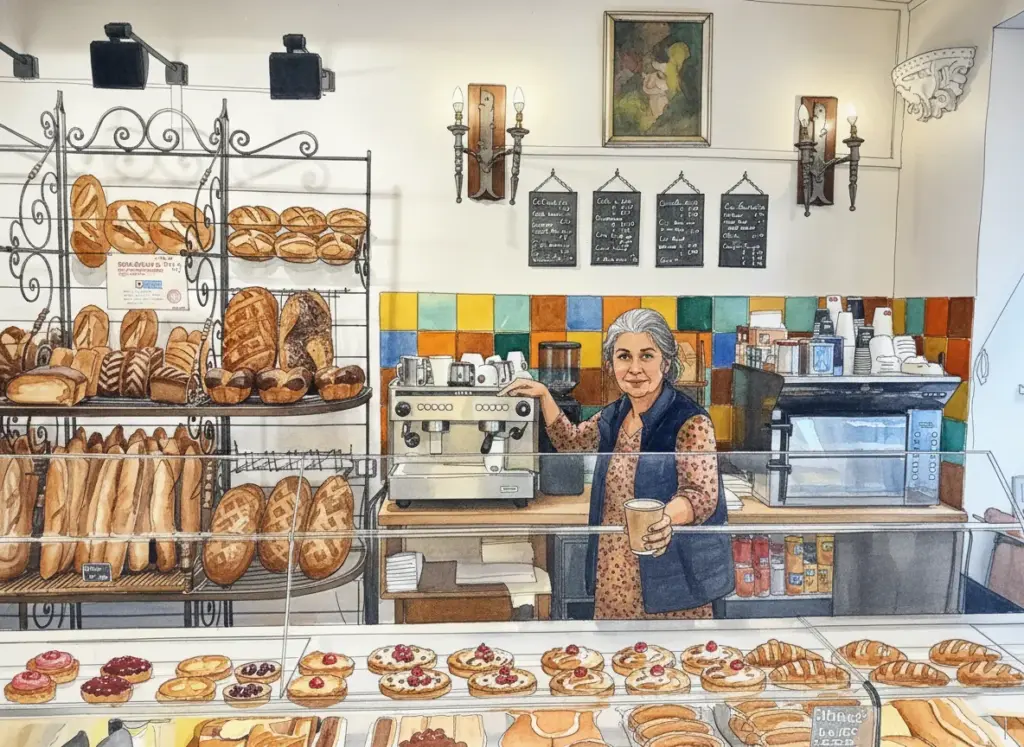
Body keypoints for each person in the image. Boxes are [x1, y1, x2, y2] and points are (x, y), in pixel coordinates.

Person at [500, 309, 734, 619]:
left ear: (665, 362)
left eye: (646, 356)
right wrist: (544, 395)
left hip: (668, 572)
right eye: (624, 357)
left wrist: (666, 518)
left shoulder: (690, 421)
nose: (635, 368)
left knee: (666, 662)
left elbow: (701, 495)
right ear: (612, 365)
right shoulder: (617, 414)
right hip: (613, 569)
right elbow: (571, 441)